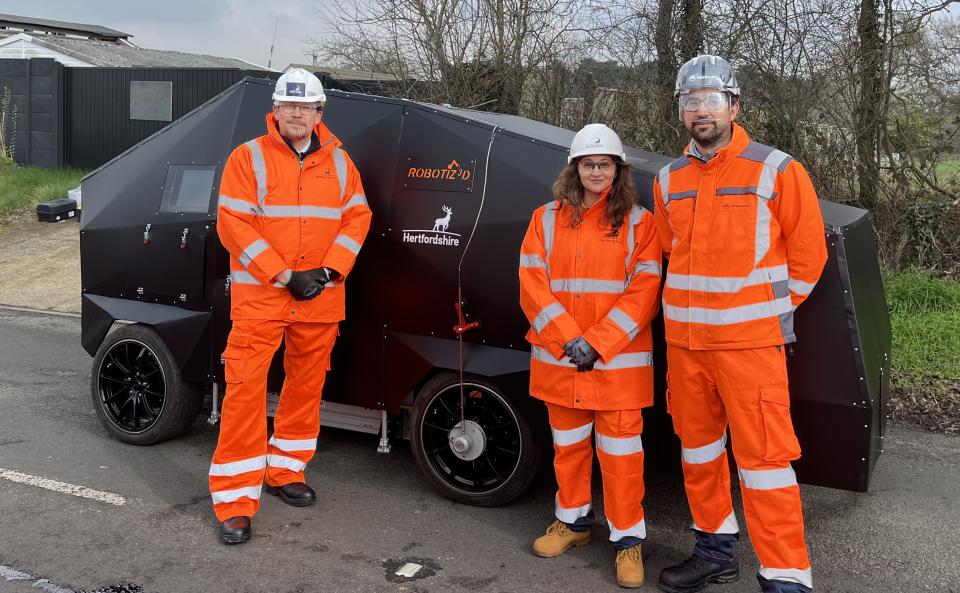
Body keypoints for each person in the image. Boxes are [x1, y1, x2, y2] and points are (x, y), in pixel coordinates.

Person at [652, 55, 827, 593]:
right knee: (699, 453)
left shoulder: (776, 169)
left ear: (734, 105)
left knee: (766, 462)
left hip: (749, 348)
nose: (699, 111)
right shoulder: (668, 179)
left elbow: (808, 255)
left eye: (709, 100)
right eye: (689, 102)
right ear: (681, 112)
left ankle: (785, 577)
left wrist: (765, 316)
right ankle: (714, 550)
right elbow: (668, 252)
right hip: (686, 348)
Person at [208, 67, 372, 544]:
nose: (296, 114)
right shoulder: (248, 158)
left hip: (319, 299)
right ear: (274, 110)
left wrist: (326, 272)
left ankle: (285, 471)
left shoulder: (341, 163)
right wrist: (284, 274)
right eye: (288, 105)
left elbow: (357, 220)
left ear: (320, 112)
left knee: (305, 388)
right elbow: (233, 224)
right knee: (244, 393)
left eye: (305, 107)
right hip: (262, 299)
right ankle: (235, 501)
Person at [519, 123, 662, 588]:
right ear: (574, 168)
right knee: (569, 451)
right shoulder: (544, 219)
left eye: (604, 164)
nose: (596, 171)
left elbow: (644, 292)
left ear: (618, 171)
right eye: (588, 164)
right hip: (563, 364)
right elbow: (532, 286)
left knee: (622, 458)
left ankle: (628, 542)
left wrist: (596, 343)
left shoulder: (641, 224)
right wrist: (567, 338)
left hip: (614, 368)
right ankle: (574, 524)